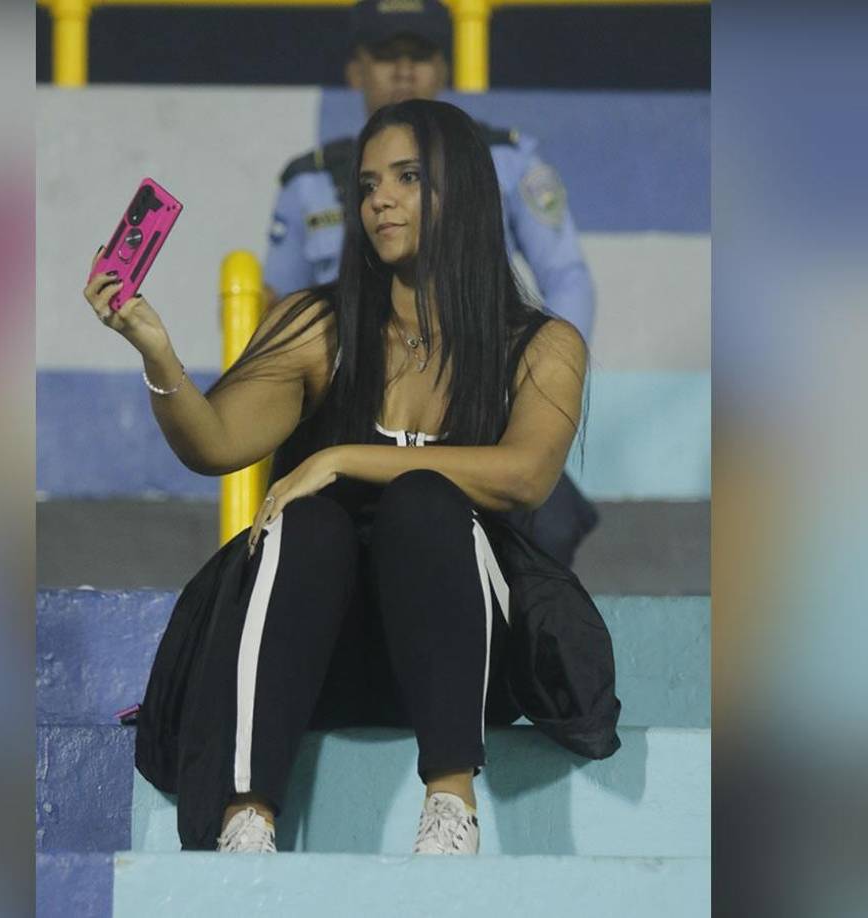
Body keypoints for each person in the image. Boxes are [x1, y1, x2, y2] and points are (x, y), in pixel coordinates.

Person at [83, 100, 620, 856]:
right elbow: (212, 444)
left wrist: (340, 458)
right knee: (311, 522)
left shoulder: (541, 344)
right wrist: (157, 353)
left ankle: (450, 811)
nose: (380, 201)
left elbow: (526, 476)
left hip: (461, 660)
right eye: (367, 186)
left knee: (424, 505)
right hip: (317, 652)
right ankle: (248, 819)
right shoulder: (317, 326)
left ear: (462, 190)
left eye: (406, 178)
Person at [265, 0, 601, 566]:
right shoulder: (312, 179)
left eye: (419, 56)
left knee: (542, 538)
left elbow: (567, 278)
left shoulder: (505, 160)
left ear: (444, 69)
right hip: (348, 409)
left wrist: (534, 389)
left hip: (474, 405)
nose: (403, 72)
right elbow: (276, 310)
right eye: (386, 56)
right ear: (355, 71)